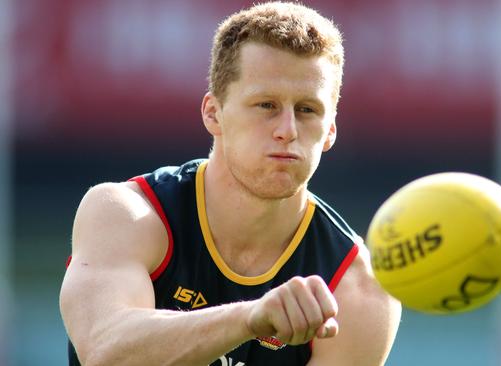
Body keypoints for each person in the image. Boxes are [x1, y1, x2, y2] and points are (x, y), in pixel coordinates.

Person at [59, 2, 402, 365]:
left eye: (307, 110)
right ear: (213, 112)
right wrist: (249, 318)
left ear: (330, 129)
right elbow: (105, 352)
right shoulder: (127, 215)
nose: (287, 130)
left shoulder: (357, 288)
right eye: (266, 105)